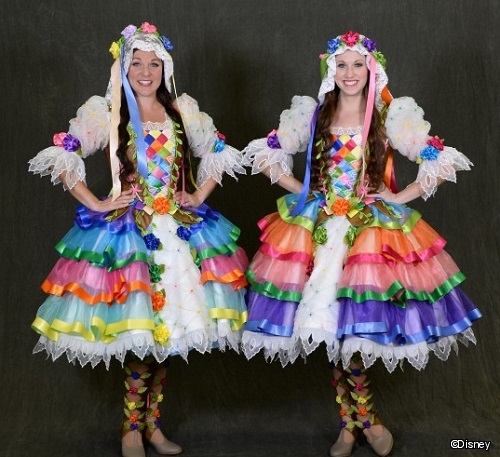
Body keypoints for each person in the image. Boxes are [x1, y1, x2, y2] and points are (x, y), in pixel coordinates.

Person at [241, 31, 481, 457]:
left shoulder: (389, 114)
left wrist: (399, 197)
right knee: (330, 328)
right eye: (341, 65)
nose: (349, 73)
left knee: (353, 327)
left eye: (357, 65)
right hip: (320, 228)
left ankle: (361, 421)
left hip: (367, 232)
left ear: (372, 70)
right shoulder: (314, 114)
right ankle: (354, 422)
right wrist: (304, 192)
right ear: (329, 69)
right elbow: (268, 155)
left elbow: (439, 159)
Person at [28, 22, 248, 457]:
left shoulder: (182, 110)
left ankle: (152, 425)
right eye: (137, 62)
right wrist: (95, 202)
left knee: (167, 333)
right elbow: (65, 154)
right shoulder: (108, 112)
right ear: (123, 67)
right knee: (139, 329)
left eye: (154, 63)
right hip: (128, 235)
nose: (146, 71)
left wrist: (198, 193)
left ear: (165, 69)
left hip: (178, 229)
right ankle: (131, 426)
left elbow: (218, 152)